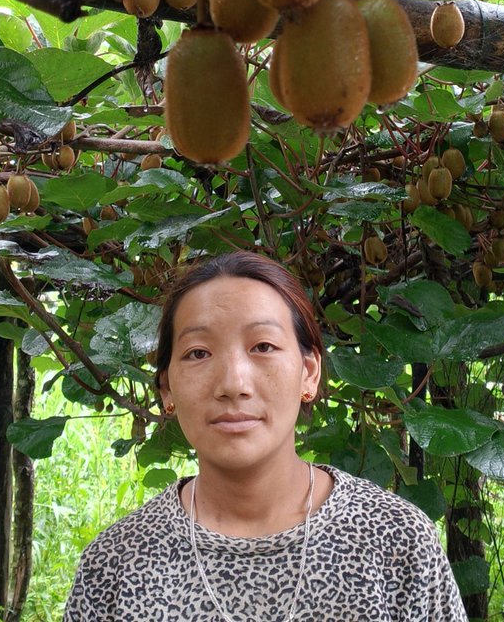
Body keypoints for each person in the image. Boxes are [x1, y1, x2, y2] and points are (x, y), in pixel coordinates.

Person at [63, 250, 469, 622]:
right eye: (198, 353)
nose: (233, 384)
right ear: (167, 388)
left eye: (262, 346)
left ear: (309, 373)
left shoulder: (395, 540)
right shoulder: (115, 564)